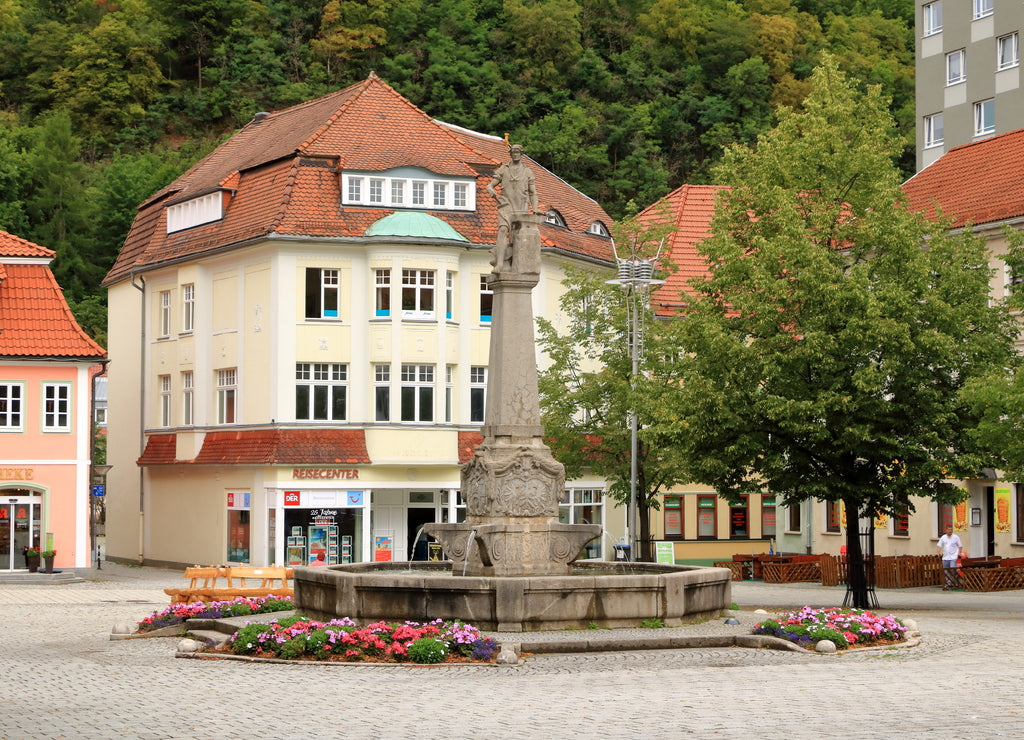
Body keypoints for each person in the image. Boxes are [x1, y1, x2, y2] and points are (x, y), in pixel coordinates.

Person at [486, 144, 538, 273]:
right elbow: (490, 185)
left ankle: (515, 263)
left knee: (517, 237)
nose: (515, 154)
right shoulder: (504, 169)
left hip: (521, 206)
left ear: (521, 154)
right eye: (513, 152)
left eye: (518, 152)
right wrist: (490, 189)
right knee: (502, 230)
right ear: (510, 154)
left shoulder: (527, 171)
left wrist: (535, 209)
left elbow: (533, 192)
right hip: (505, 205)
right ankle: (499, 264)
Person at [937, 524, 963, 589]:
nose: (950, 531)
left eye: (951, 530)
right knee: (946, 570)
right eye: (949, 530)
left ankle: (954, 582)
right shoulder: (943, 537)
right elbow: (940, 545)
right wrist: (937, 552)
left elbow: (960, 546)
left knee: (952, 569)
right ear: (946, 530)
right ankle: (949, 583)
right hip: (945, 557)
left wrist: (959, 553)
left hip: (953, 557)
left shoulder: (955, 537)